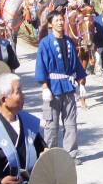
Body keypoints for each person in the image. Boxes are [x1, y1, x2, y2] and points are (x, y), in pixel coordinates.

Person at [35, 12, 87, 163]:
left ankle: (71, 154)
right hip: (52, 87)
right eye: (56, 20)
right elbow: (41, 65)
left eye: (61, 20)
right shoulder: (45, 43)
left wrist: (81, 84)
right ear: (50, 24)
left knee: (71, 122)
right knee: (51, 124)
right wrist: (44, 87)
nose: (59, 22)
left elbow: (77, 64)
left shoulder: (70, 41)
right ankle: (50, 156)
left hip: (69, 87)